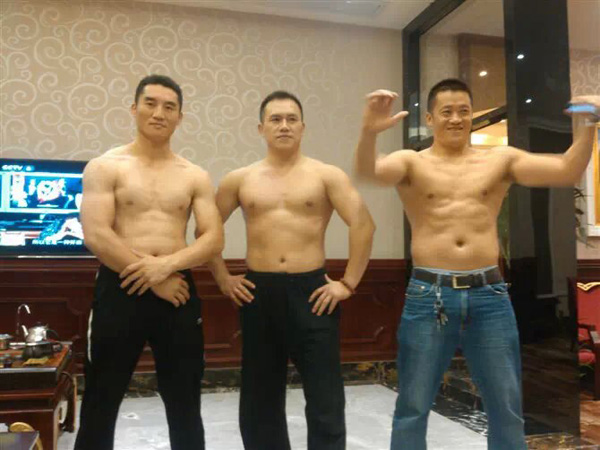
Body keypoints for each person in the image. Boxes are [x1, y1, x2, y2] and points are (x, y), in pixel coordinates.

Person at [353, 78, 600, 450]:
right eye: (447, 112)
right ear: (430, 118)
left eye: (464, 111)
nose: (456, 119)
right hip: (429, 296)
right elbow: (368, 173)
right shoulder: (411, 162)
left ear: (472, 116)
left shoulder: (499, 160)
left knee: (506, 405)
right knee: (413, 405)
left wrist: (589, 122)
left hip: (489, 296)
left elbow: (566, 170)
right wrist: (369, 131)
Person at [207, 90, 375, 450]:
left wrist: (348, 283)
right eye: (275, 119)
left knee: (325, 395)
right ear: (261, 128)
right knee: (260, 397)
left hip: (312, 292)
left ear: (302, 127)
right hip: (259, 292)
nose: (284, 125)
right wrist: (222, 277)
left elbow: (363, 224)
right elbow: (207, 231)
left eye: (291, 119)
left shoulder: (326, 175)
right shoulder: (240, 179)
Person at [75, 74, 224, 450]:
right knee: (101, 398)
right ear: (134, 108)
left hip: (178, 291)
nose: (159, 113)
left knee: (185, 399)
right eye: (151, 103)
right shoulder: (106, 166)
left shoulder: (194, 175)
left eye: (169, 107)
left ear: (180, 117)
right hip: (120, 287)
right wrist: (155, 276)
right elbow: (96, 234)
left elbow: (213, 238)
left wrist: (166, 266)